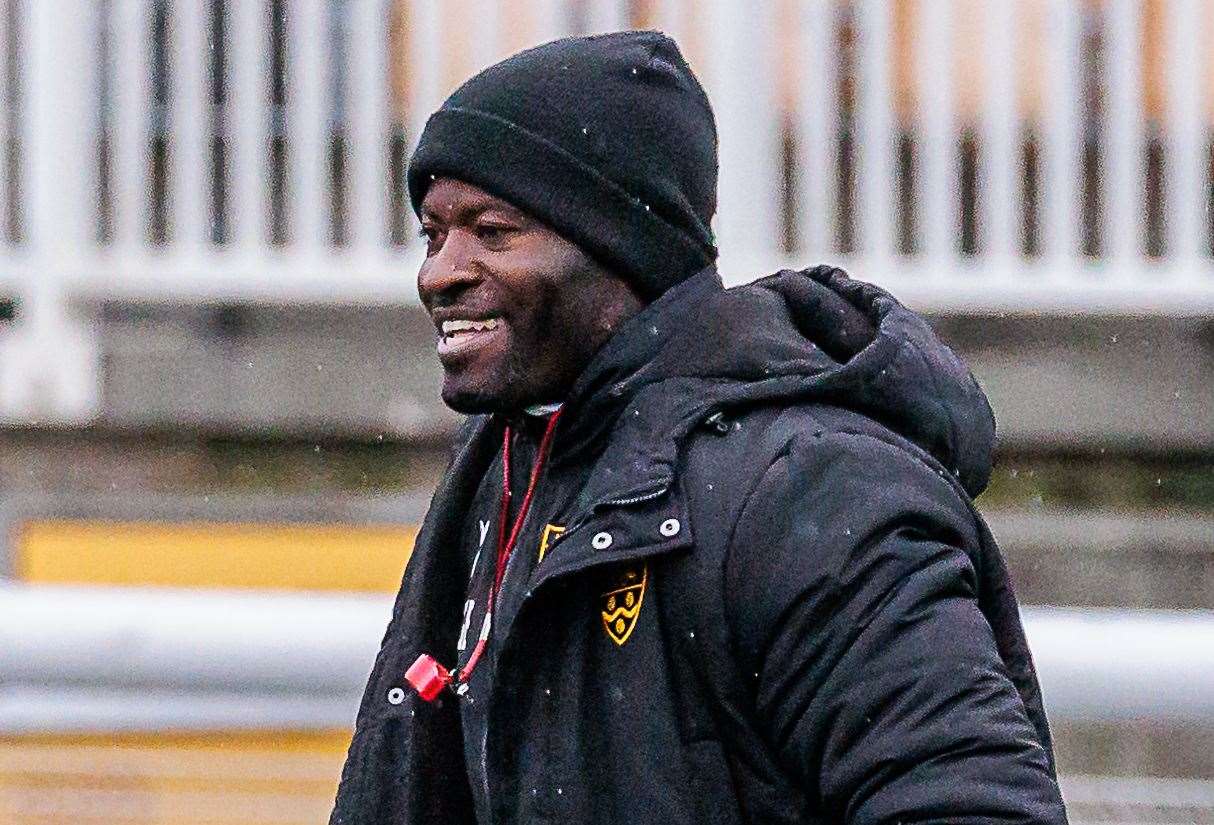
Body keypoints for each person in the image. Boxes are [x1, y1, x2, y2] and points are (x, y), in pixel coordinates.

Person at [330, 30, 1068, 825]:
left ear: (618, 245)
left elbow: (972, 805)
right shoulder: (512, 469)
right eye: (434, 235)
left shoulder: (807, 488)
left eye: (493, 231)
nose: (440, 273)